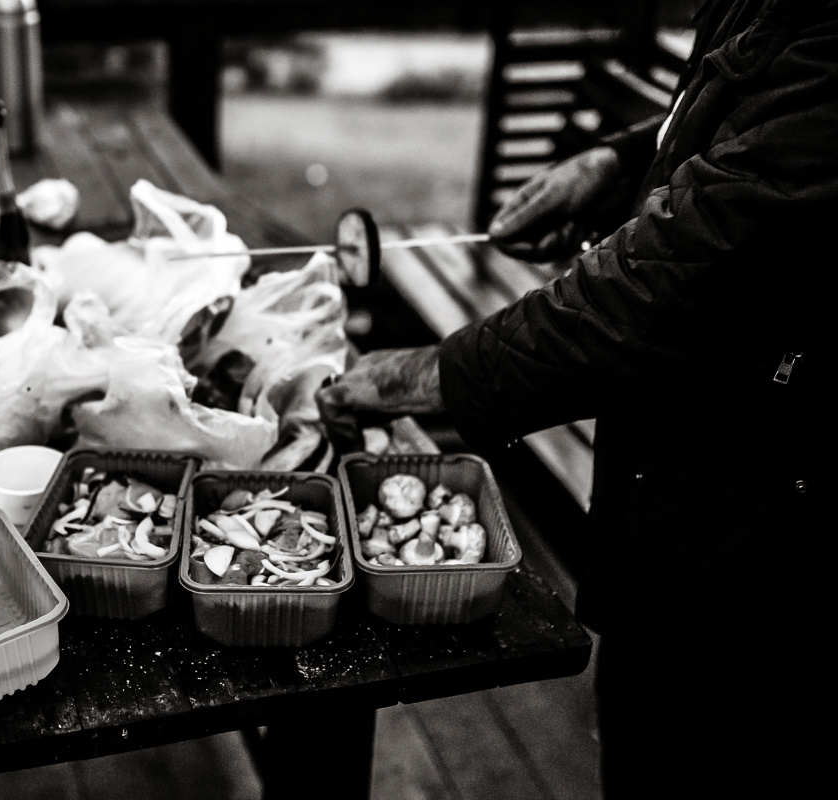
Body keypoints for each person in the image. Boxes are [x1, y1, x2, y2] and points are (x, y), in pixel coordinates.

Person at [317, 0, 836, 796]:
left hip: (779, 565)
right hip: (688, 512)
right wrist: (617, 167)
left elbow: (685, 279)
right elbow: (743, 121)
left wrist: (429, 376)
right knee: (644, 731)